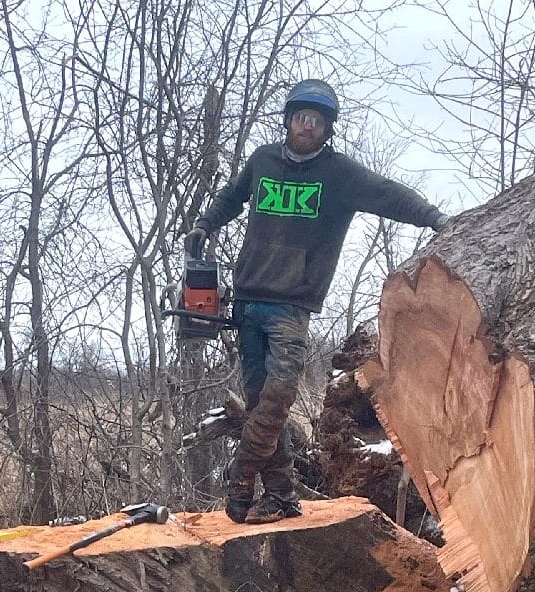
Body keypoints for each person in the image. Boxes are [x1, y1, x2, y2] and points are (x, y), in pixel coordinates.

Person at [185, 79, 450, 526]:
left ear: (327, 129)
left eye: (316, 121)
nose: (306, 126)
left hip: (291, 306)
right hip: (248, 299)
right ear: (288, 120)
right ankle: (283, 496)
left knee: (278, 396)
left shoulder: (338, 174)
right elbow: (232, 196)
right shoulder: (262, 160)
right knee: (257, 402)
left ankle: (243, 468)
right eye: (300, 117)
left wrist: (434, 218)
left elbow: (388, 194)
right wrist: (204, 225)